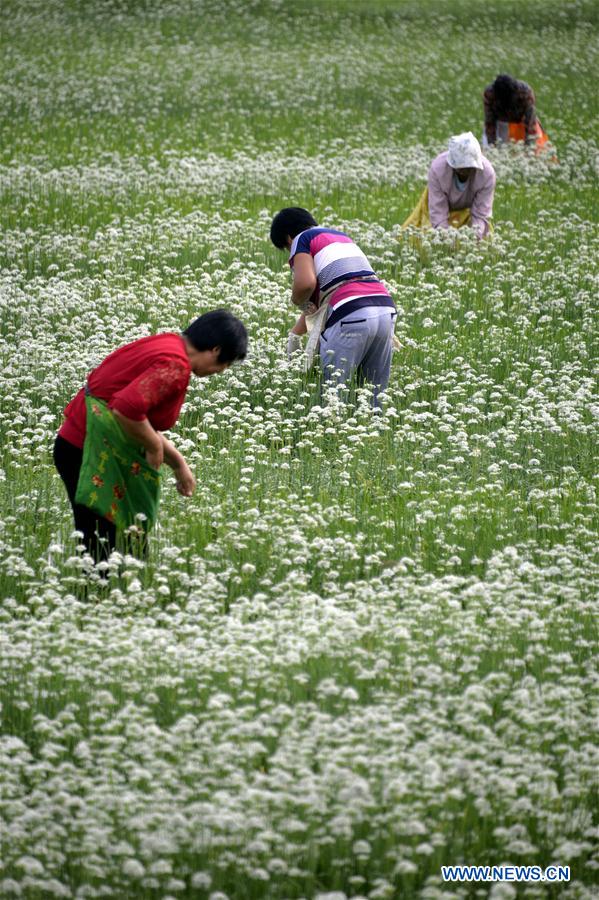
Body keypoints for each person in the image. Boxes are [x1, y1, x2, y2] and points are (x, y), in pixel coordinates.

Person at [53, 309, 248, 560]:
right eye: (225, 364)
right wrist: (155, 447)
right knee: (103, 542)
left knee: (120, 536)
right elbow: (126, 410)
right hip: (86, 450)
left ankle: (119, 592)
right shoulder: (175, 365)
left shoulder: (167, 344)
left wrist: (178, 464)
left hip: (80, 444)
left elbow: (138, 419)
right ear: (216, 350)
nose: (220, 371)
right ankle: (96, 597)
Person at [270, 207, 396, 403]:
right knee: (373, 398)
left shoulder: (301, 240)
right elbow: (329, 298)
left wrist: (296, 301)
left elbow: (306, 284)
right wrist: (296, 331)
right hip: (385, 310)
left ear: (288, 238)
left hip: (350, 315)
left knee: (332, 399)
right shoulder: (340, 237)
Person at [402, 132, 495, 239]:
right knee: (423, 237)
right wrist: (446, 239)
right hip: (438, 206)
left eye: (469, 168)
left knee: (483, 239)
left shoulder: (486, 174)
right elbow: (438, 212)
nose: (465, 172)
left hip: (468, 211)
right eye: (461, 169)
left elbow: (481, 213)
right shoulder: (438, 169)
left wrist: (475, 238)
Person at [483, 73, 551, 152]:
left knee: (536, 148)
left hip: (521, 123)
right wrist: (492, 148)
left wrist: (528, 150)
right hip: (501, 123)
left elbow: (530, 124)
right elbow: (490, 123)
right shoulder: (489, 94)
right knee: (492, 150)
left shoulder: (525, 93)